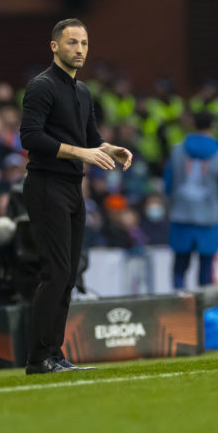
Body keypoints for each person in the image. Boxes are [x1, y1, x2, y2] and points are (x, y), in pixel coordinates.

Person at [19, 18, 133, 374]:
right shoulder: (41, 87)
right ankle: (38, 359)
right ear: (55, 46)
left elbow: (90, 138)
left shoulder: (82, 92)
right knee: (56, 272)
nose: (79, 49)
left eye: (84, 43)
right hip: (45, 186)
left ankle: (55, 353)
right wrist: (82, 154)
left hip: (70, 188)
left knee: (69, 275)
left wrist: (108, 148)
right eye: (72, 43)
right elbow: (30, 138)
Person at [165, 111, 218, 288]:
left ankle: (179, 305)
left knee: (179, 268)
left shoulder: (176, 151)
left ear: (192, 124)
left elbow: (168, 185)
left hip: (181, 217)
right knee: (206, 272)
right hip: (209, 220)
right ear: (213, 126)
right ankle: (202, 310)